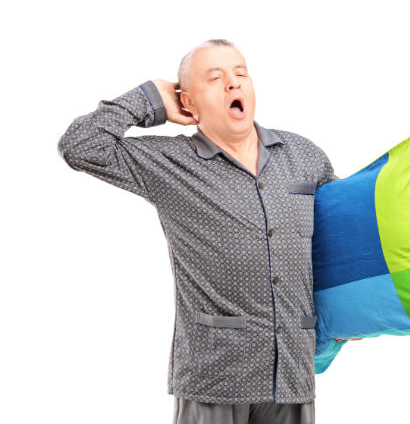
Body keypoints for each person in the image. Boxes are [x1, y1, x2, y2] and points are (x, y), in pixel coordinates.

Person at [57, 38, 361, 424]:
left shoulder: (304, 156)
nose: (233, 83)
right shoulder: (170, 162)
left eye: (240, 74)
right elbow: (79, 146)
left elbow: (340, 238)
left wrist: (350, 308)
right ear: (187, 102)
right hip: (214, 378)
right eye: (215, 78)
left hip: (291, 374)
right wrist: (150, 98)